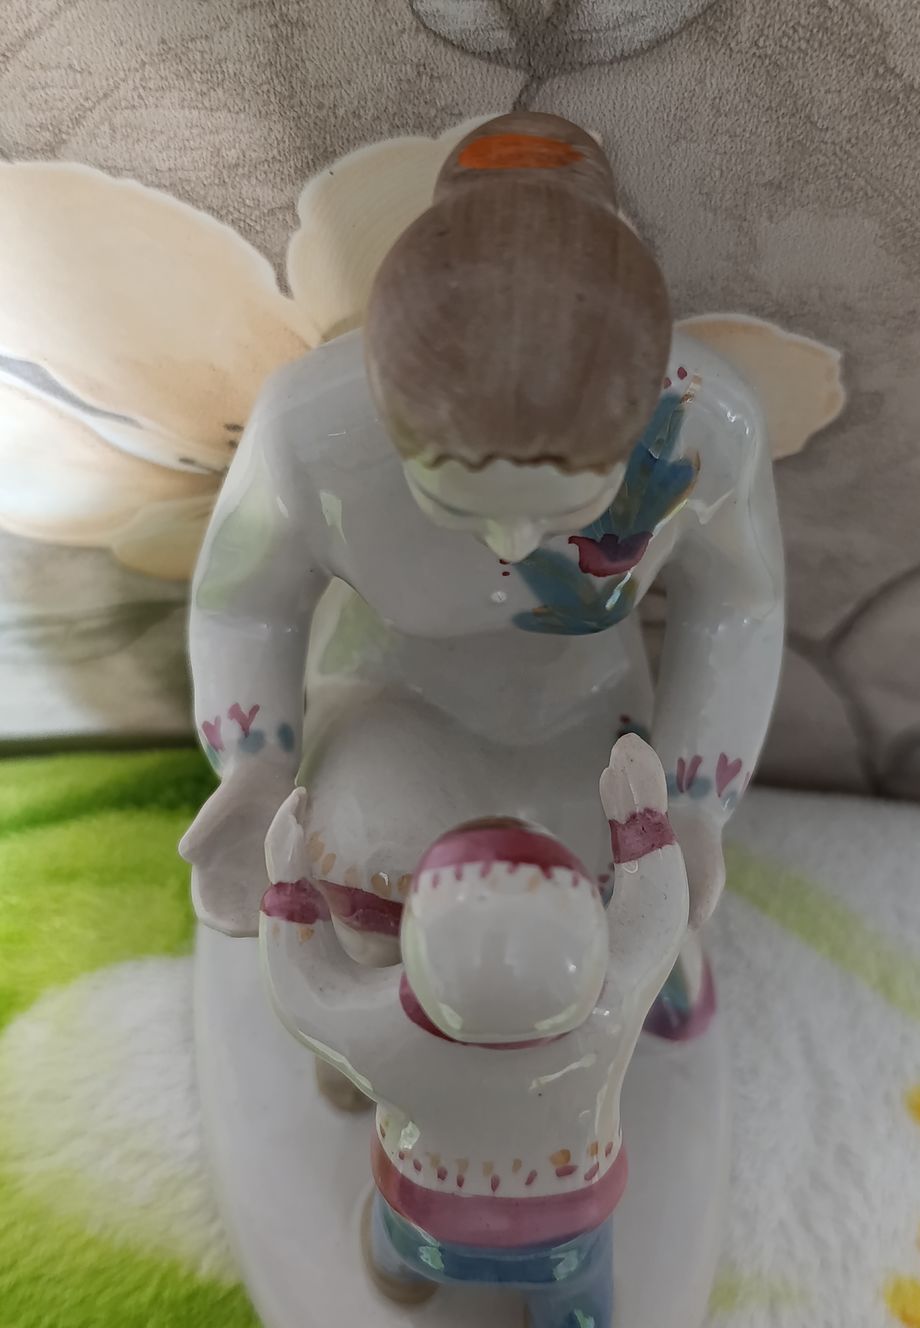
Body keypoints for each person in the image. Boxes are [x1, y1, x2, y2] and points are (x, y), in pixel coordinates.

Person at [181, 112, 784, 1034]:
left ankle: (591, 1014)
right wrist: (254, 768)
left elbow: (737, 607)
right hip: (391, 688)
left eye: (563, 509)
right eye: (459, 504)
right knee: (369, 853)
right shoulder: (308, 431)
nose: (512, 537)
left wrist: (698, 804)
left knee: (612, 878)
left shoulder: (710, 425)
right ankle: (373, 1028)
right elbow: (244, 605)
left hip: (587, 703)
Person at [259, 733, 689, 1326]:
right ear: (587, 933)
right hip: (567, 1230)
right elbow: (658, 921)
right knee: (576, 1284)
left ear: (419, 937)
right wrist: (643, 826)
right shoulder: (610, 1012)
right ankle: (576, 1315)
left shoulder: (387, 1035)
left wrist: (288, 894)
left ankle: (399, 1276)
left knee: (399, 1250)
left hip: (425, 1221)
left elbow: (306, 993)